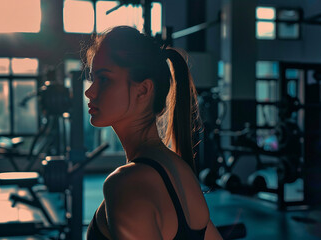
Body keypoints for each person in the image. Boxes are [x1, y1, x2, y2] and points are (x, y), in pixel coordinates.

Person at [85, 26, 222, 240]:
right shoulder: (180, 170)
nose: (89, 91)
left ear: (143, 90)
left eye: (104, 79)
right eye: (93, 78)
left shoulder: (127, 183)